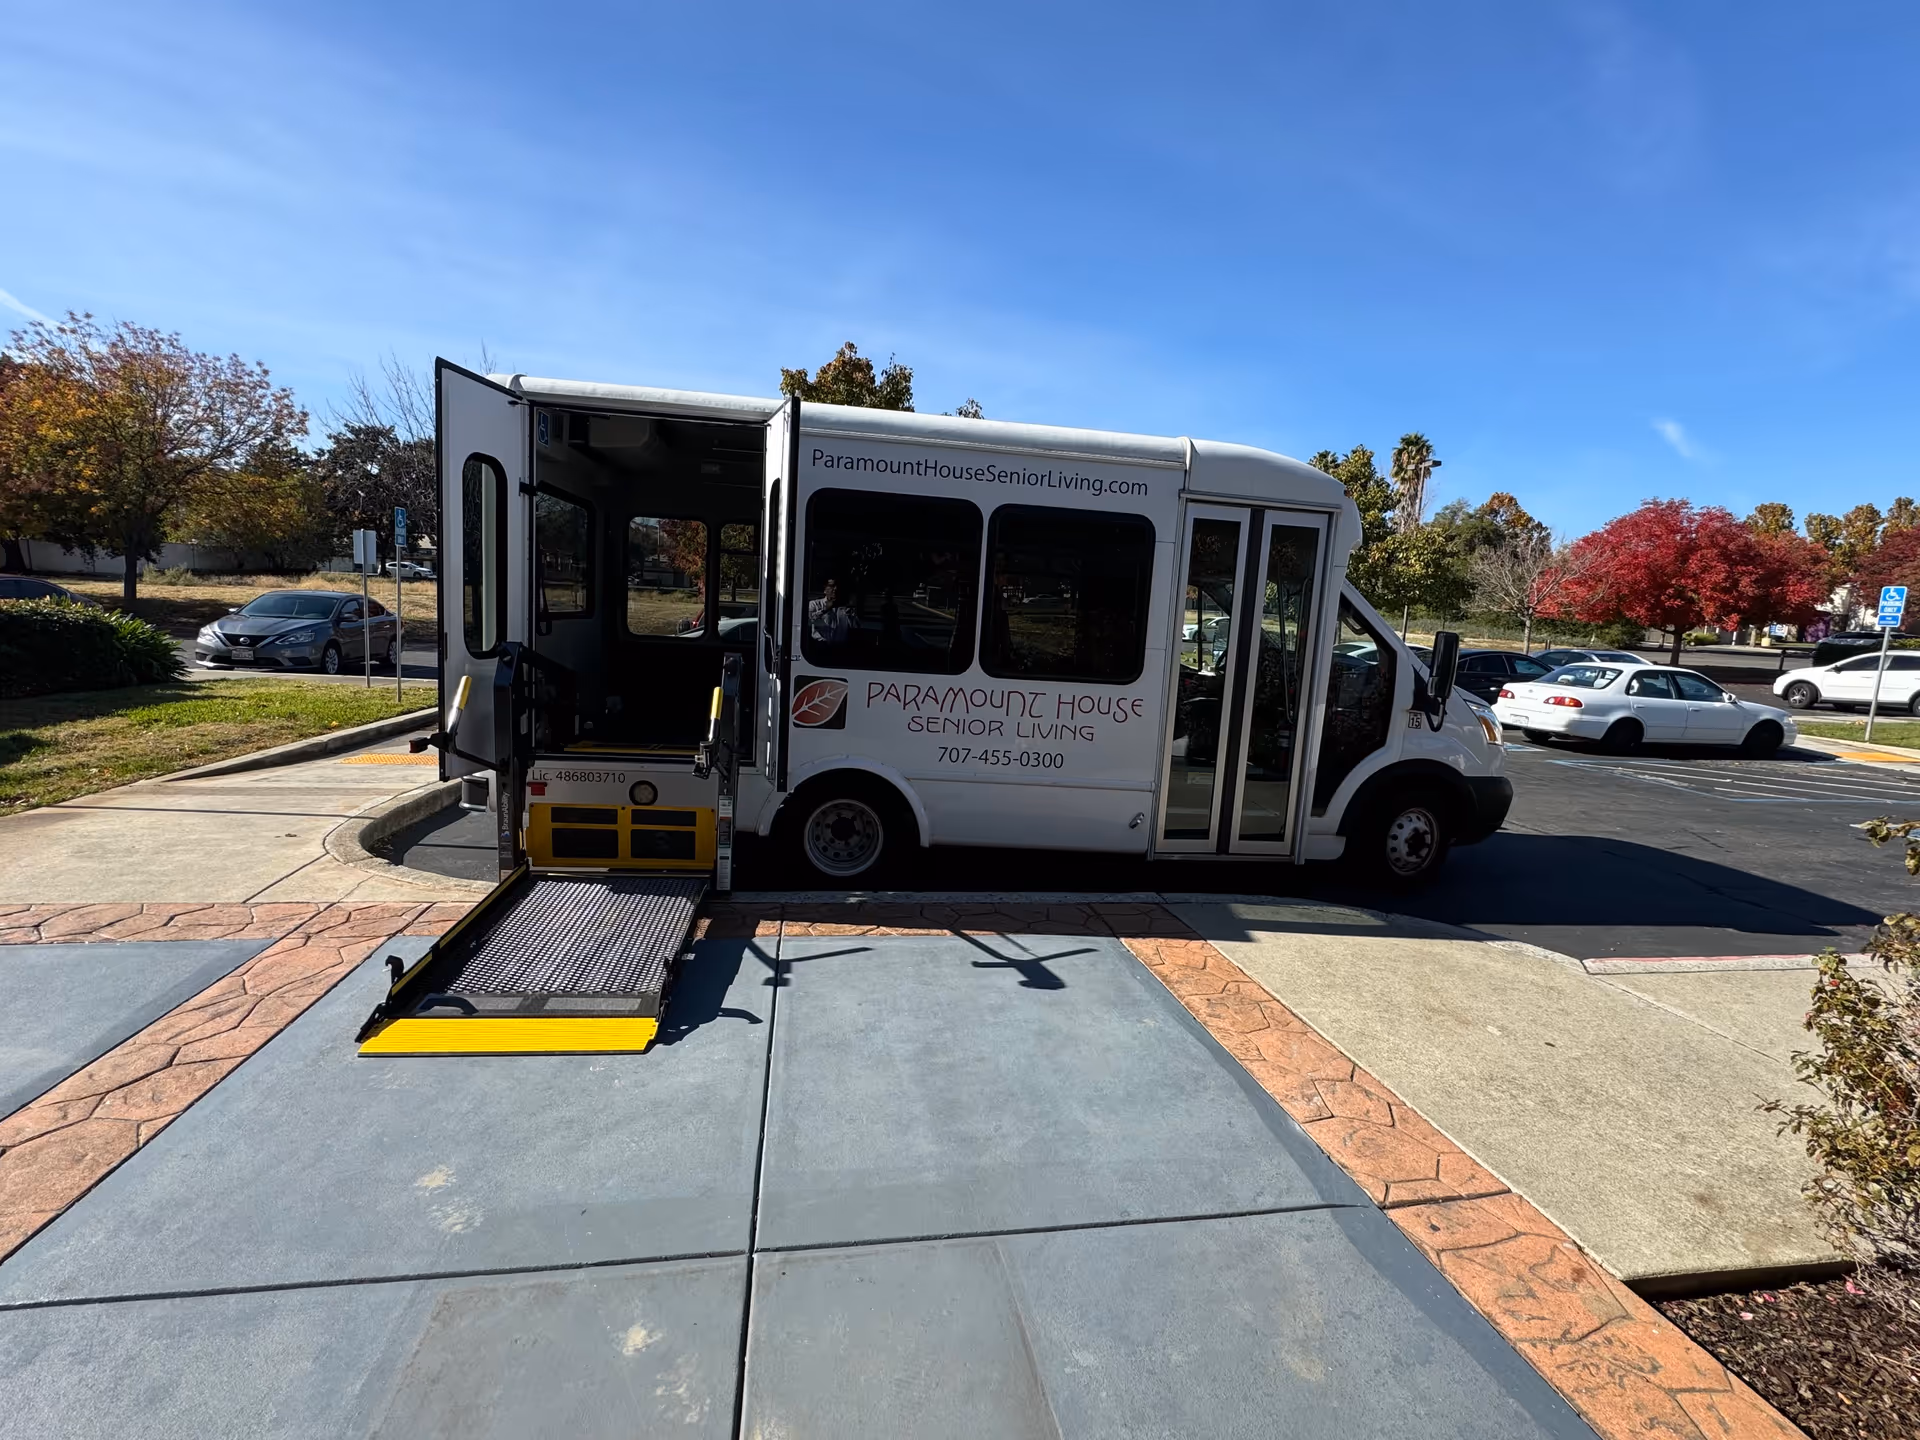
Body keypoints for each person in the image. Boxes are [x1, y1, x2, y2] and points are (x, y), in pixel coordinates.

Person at [809, 577, 856, 647]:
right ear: (825, 590)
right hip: (820, 646)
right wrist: (825, 609)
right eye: (832, 586)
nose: (835, 589)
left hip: (841, 647)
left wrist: (850, 616)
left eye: (837, 586)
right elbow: (810, 620)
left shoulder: (846, 608)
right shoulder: (815, 604)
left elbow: (856, 627)